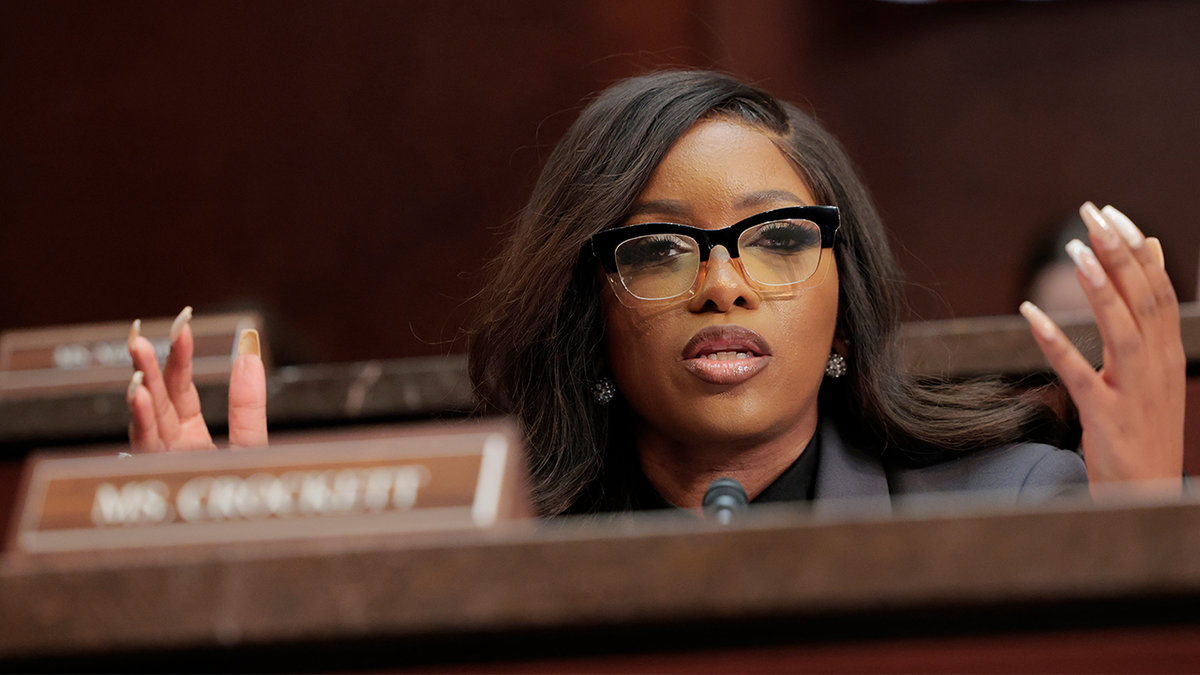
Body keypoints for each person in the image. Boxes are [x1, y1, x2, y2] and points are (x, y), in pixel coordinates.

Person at [126, 71, 1186, 517]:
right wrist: (231, 581)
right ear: (586, 306)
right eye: (659, 252)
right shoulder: (477, 546)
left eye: (776, 241)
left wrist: (1137, 537)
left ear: (840, 293)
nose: (723, 286)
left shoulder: (1015, 506)